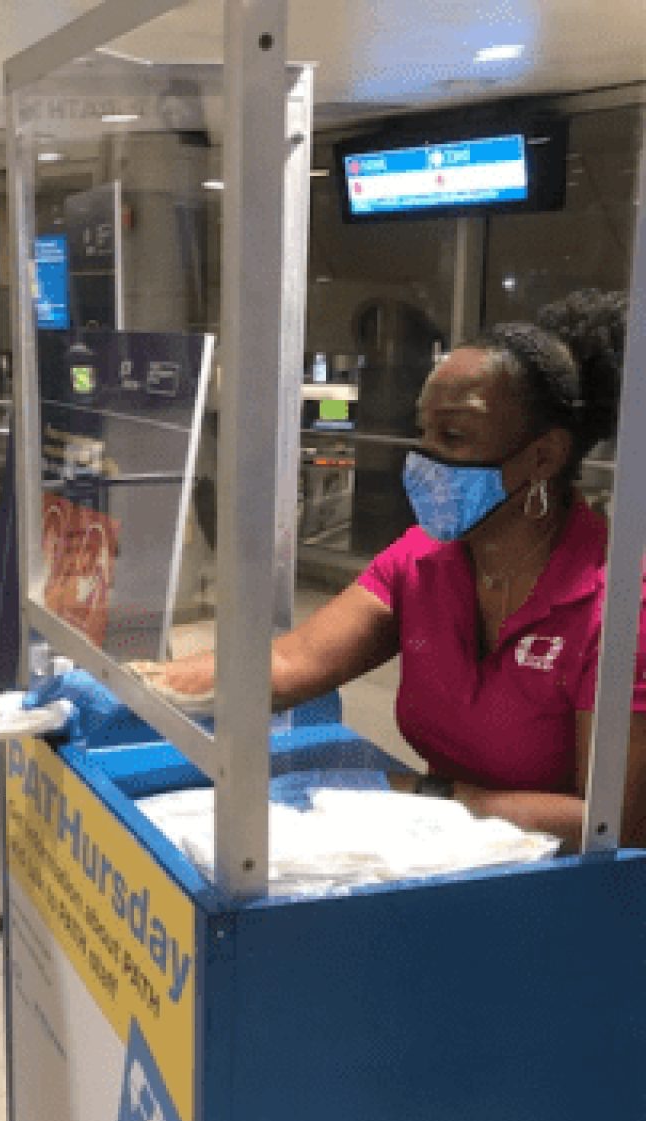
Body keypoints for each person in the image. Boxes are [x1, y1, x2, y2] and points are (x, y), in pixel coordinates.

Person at [133, 289, 646, 850]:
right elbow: (290, 661)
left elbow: (611, 820)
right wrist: (138, 686)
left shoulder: (619, 605)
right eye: (421, 433)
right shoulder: (423, 559)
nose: (423, 459)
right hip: (450, 851)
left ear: (544, 456)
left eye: (452, 436)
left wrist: (424, 797)